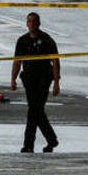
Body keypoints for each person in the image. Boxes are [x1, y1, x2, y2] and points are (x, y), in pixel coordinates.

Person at [10, 12, 60, 153]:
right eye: (29, 21)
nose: (32, 24)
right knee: (36, 110)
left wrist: (56, 82)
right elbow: (17, 61)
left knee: (34, 110)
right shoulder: (22, 41)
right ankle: (51, 140)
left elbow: (55, 61)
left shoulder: (47, 40)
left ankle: (29, 144)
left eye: (34, 21)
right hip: (29, 79)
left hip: (44, 78)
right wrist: (13, 78)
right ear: (27, 24)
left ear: (39, 23)